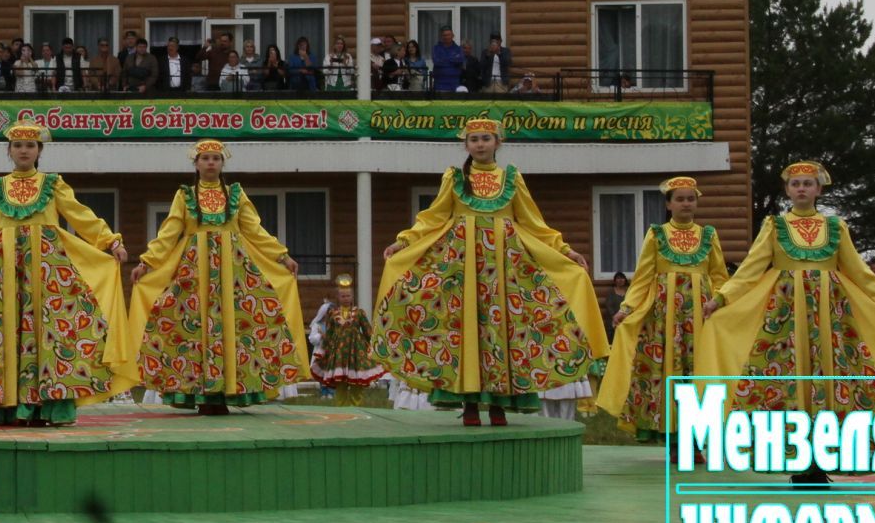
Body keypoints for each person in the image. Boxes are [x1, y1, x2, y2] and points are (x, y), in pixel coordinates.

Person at [699, 161, 875, 474]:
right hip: (784, 316)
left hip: (831, 314)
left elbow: (859, 271)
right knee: (786, 374)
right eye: (795, 184)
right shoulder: (775, 225)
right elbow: (751, 269)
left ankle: (827, 455)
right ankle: (791, 454)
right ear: (787, 190)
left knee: (832, 372)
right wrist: (722, 298)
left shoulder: (835, 227)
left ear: (819, 189)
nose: (801, 188)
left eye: (808, 183)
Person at [373, 118, 608, 427]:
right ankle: (470, 404)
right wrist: (404, 241)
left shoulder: (512, 178)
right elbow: (433, 217)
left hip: (504, 273)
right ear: (466, 145)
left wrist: (565, 251)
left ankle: (499, 404)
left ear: (498, 143)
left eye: (486, 138)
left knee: (502, 333)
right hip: (462, 271)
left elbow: (534, 223)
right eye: (474, 139)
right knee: (466, 332)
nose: (480, 144)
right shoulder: (455, 178)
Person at [0, 123, 134, 426]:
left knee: (52, 334)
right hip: (1, 271)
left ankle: (48, 406)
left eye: (30, 145)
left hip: (47, 271)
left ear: (39, 151)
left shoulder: (53, 184)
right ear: (8, 151)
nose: (24, 150)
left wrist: (110, 241)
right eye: (18, 145)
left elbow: (80, 215)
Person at [128, 140, 308, 413]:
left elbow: (254, 230)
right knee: (189, 327)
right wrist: (147, 262)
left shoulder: (236, 193)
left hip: (234, 273)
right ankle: (198, 393)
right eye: (205, 158)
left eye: (216, 158)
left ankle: (230, 390)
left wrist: (282, 256)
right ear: (196, 164)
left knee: (239, 326)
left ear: (223, 164)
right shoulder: (185, 195)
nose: (211, 162)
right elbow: (169, 231)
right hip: (194, 271)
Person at [595, 176, 729, 455]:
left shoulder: (709, 234)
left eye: (690, 198)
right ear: (668, 204)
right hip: (663, 320)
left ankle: (694, 440)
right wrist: (626, 308)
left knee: (696, 375)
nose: (686, 203)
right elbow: (643, 277)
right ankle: (673, 438)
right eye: (679, 199)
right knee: (667, 373)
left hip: (699, 319)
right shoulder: (657, 234)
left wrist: (717, 301)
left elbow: (718, 275)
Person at [310, 276, 382, 405]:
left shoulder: (359, 313)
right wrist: (322, 351)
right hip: (339, 353)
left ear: (352, 297)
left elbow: (368, 332)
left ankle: (357, 408)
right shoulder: (332, 313)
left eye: (348, 296)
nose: (346, 298)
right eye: (343, 296)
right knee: (340, 382)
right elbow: (330, 334)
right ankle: (341, 409)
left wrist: (375, 348)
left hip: (356, 352)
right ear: (338, 297)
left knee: (356, 381)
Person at [429, 28, 467, 93]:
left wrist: (444, 59)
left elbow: (460, 60)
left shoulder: (458, 49)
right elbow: (437, 62)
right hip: (440, 84)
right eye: (444, 35)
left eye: (448, 35)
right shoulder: (436, 48)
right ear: (441, 36)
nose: (446, 37)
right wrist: (452, 59)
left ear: (452, 36)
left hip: (455, 83)